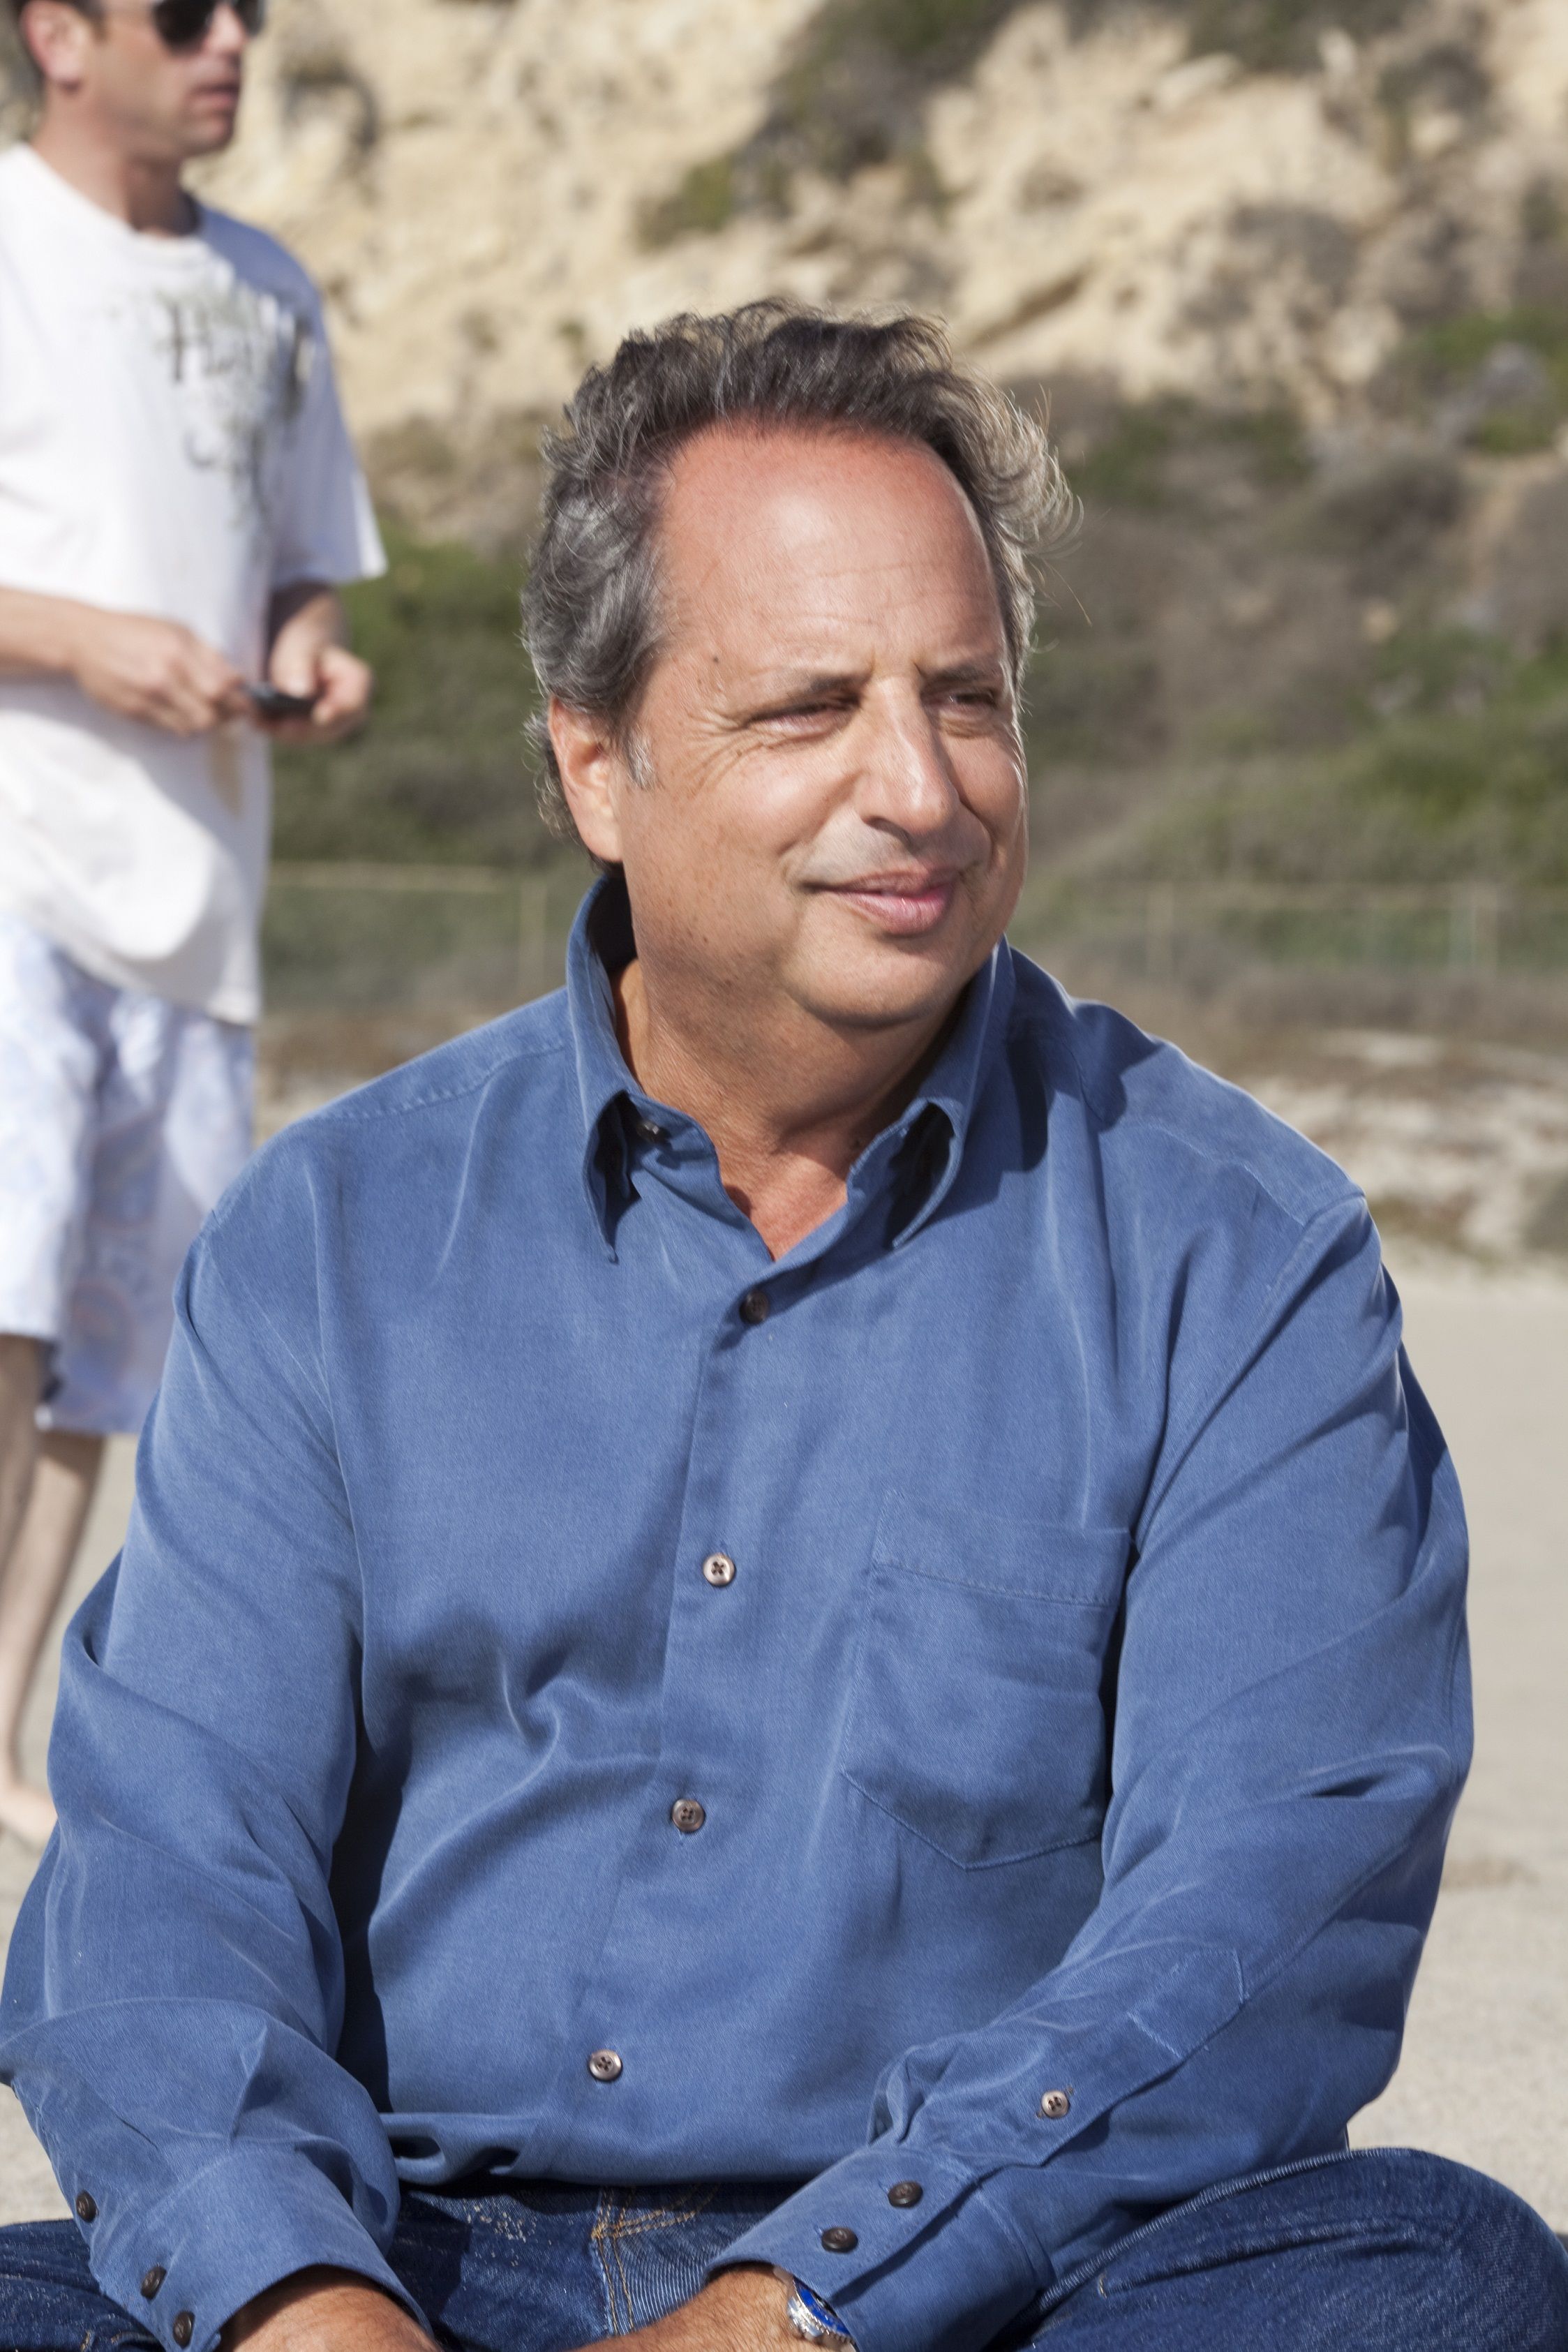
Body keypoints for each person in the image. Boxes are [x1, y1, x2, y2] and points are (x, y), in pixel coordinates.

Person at [2, 303, 1565, 2352]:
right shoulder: (333, 1235)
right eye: (813, 705)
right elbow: (163, 1879)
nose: (917, 787)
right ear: (596, 763)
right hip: (402, 2266)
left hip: (953, 2295)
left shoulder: (1241, 1256)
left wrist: (785, 2312)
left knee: (1442, 2278)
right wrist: (301, 2307)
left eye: (969, 699)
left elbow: (1263, 1930)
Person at [0, 0, 382, 1843]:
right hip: (17, 852)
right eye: (181, 11)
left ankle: (5, 1736)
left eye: (246, 11)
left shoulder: (269, 286)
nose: (228, 39)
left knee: (112, 1343)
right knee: (4, 1289)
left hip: (202, 884)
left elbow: (303, 557)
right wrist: (83, 642)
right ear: (58, 34)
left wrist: (314, 651)